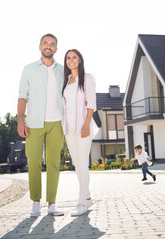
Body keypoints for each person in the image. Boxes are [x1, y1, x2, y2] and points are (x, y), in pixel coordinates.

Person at [17, 33, 64, 217]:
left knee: (53, 163)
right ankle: (35, 202)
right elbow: (22, 96)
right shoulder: (29, 69)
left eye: (52, 44)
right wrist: (20, 121)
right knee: (34, 162)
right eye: (45, 43)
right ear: (39, 46)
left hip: (56, 122)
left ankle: (52, 203)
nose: (48, 46)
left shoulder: (62, 70)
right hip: (34, 123)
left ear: (56, 49)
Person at [62, 49, 98, 216]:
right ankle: (88, 197)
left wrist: (85, 125)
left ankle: (82, 201)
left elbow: (91, 103)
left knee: (82, 164)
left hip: (83, 126)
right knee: (77, 164)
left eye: (74, 57)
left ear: (80, 60)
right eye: (68, 58)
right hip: (68, 128)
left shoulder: (88, 78)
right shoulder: (67, 80)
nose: (71, 60)